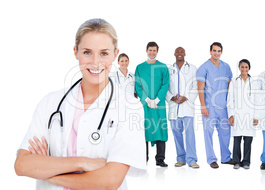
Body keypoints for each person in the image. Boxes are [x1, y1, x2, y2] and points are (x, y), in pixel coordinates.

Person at [14, 18, 146, 190]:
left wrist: (47, 171)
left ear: (115, 54)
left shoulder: (129, 106)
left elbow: (110, 180)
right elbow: (22, 165)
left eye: (104, 53)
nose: (95, 61)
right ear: (76, 52)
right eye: (87, 52)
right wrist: (82, 163)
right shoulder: (50, 103)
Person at [197, 42, 233, 168]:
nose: (216, 53)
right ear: (210, 51)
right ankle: (211, 159)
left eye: (219, 51)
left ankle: (226, 157)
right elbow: (200, 88)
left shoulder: (226, 67)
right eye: (214, 50)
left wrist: (231, 105)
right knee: (208, 133)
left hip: (223, 106)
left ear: (221, 52)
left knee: (225, 132)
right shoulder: (203, 67)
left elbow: (230, 86)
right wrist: (203, 106)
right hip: (209, 106)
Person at [135, 41, 170, 167]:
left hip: (159, 105)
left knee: (160, 128)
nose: (152, 52)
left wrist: (157, 99)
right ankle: (143, 158)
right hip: (145, 105)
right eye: (150, 50)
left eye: (154, 50)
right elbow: (138, 86)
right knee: (145, 129)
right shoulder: (140, 67)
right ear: (146, 51)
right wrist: (147, 99)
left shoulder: (163, 67)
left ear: (157, 51)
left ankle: (160, 159)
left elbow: (165, 84)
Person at [166, 47, 199, 168]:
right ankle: (181, 158)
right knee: (177, 134)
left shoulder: (193, 68)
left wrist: (187, 97)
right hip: (174, 107)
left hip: (187, 106)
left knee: (190, 134)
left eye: (181, 52)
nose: (179, 54)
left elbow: (196, 86)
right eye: (177, 52)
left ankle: (192, 160)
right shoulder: (169, 69)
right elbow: (165, 87)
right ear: (174, 54)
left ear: (185, 54)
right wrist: (171, 97)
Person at [227, 59, 259, 170]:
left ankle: (246, 162)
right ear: (239, 68)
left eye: (246, 67)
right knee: (236, 139)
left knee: (248, 139)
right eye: (242, 67)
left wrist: (256, 116)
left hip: (250, 114)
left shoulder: (254, 82)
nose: (244, 69)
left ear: (249, 68)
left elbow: (257, 100)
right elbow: (230, 98)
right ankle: (236, 161)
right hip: (237, 113)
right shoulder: (234, 82)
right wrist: (230, 115)